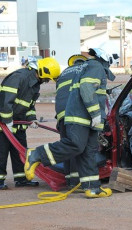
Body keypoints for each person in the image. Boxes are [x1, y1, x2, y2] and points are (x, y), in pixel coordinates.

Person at [24, 48, 116, 198]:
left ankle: (92, 187)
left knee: (88, 152)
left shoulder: (72, 71)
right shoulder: (95, 66)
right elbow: (86, 88)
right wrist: (95, 114)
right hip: (81, 116)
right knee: (76, 145)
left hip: (78, 117)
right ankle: (36, 154)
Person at [0, 57, 61, 190]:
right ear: (43, 72)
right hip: (4, 124)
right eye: (47, 78)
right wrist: (7, 121)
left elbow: (29, 105)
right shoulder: (19, 77)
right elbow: (5, 102)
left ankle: (21, 179)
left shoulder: (35, 84)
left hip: (18, 124)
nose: (46, 81)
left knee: (20, 152)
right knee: (1, 152)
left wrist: (32, 118)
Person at [56, 54, 88, 190]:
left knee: (67, 146)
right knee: (77, 146)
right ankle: (77, 182)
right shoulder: (85, 69)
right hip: (75, 112)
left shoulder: (63, 73)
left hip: (62, 114)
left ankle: (70, 180)